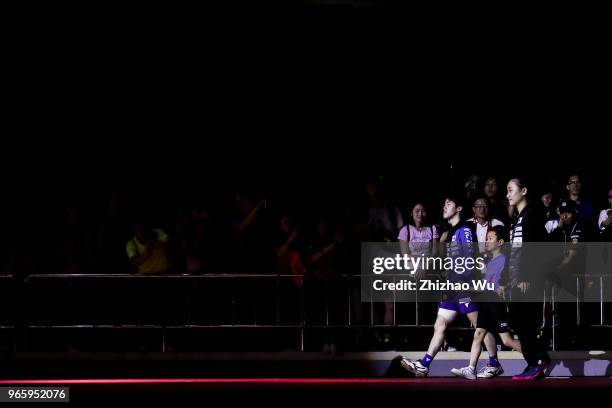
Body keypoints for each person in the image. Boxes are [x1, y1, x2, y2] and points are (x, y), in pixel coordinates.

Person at [400, 196, 499, 377]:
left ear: (459, 208)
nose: (444, 206)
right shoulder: (451, 231)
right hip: (451, 287)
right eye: (443, 204)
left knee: (479, 324)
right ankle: (424, 364)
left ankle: (494, 363)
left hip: (464, 286)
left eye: (449, 204)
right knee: (440, 324)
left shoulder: (465, 229)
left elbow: (469, 259)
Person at [451, 226, 523, 379]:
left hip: (496, 304)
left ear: (500, 242)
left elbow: (500, 285)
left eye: (491, 238)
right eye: (487, 238)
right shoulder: (490, 262)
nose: (487, 241)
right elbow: (485, 286)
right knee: (478, 334)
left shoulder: (504, 260)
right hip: (487, 303)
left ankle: (537, 358)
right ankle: (471, 369)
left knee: (507, 340)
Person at [506, 178, 550, 380]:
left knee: (526, 323)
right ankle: (535, 361)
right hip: (516, 280)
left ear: (523, 191)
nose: (508, 194)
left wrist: (527, 276)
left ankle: (538, 361)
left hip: (528, 280)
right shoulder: (518, 218)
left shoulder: (532, 215)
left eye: (511, 190)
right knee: (517, 322)